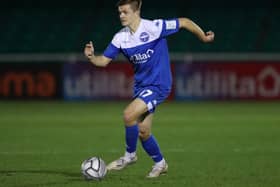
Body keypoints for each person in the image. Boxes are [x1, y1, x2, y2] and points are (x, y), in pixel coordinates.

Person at [84, 0, 214, 178]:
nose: (121, 15)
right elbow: (104, 61)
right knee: (143, 131)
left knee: (128, 115)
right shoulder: (120, 37)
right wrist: (92, 57)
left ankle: (129, 156)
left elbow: (184, 22)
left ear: (136, 12)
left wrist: (203, 38)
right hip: (141, 87)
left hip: (159, 84)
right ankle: (160, 164)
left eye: (125, 12)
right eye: (119, 12)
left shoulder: (154, 27)